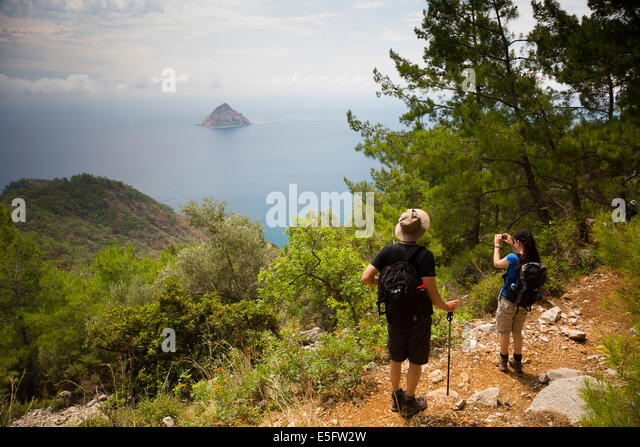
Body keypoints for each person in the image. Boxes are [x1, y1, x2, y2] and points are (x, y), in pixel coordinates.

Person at [361, 209, 458, 418]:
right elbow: (431, 291)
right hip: (419, 316)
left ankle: (396, 399)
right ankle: (410, 402)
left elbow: (366, 277)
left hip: (394, 314)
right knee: (415, 360)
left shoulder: (387, 252)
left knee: (395, 358)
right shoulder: (425, 255)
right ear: (420, 231)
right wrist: (446, 307)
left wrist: (383, 284)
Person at [493, 229, 541, 375]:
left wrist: (497, 246)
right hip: (524, 303)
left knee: (504, 332)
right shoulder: (534, 258)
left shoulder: (513, 258)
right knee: (517, 332)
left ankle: (503, 362)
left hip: (508, 300)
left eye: (515, 242)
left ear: (518, 242)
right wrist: (511, 244)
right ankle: (518, 363)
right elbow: (520, 255)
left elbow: (496, 263)